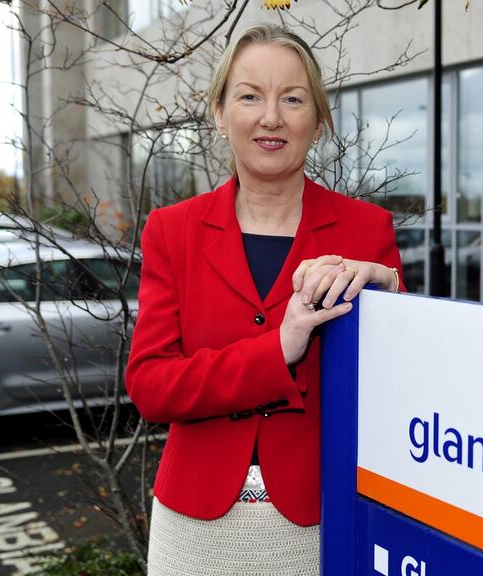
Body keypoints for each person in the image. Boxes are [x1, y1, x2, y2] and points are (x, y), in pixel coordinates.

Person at [125, 23, 403, 575]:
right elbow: (151, 386)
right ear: (220, 114)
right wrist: (278, 349)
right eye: (250, 96)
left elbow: (402, 387)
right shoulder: (171, 230)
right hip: (194, 526)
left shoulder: (366, 232)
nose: (271, 117)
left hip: (320, 518)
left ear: (319, 122)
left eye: (292, 99)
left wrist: (395, 295)